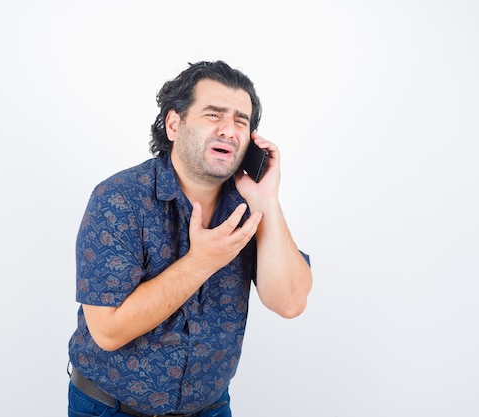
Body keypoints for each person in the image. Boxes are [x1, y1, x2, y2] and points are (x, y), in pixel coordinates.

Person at [67, 60, 313, 417]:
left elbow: (290, 302)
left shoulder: (248, 205)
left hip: (210, 408)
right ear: (173, 124)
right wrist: (201, 262)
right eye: (214, 115)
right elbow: (108, 331)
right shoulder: (119, 198)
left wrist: (267, 202)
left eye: (241, 121)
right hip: (111, 408)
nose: (229, 130)